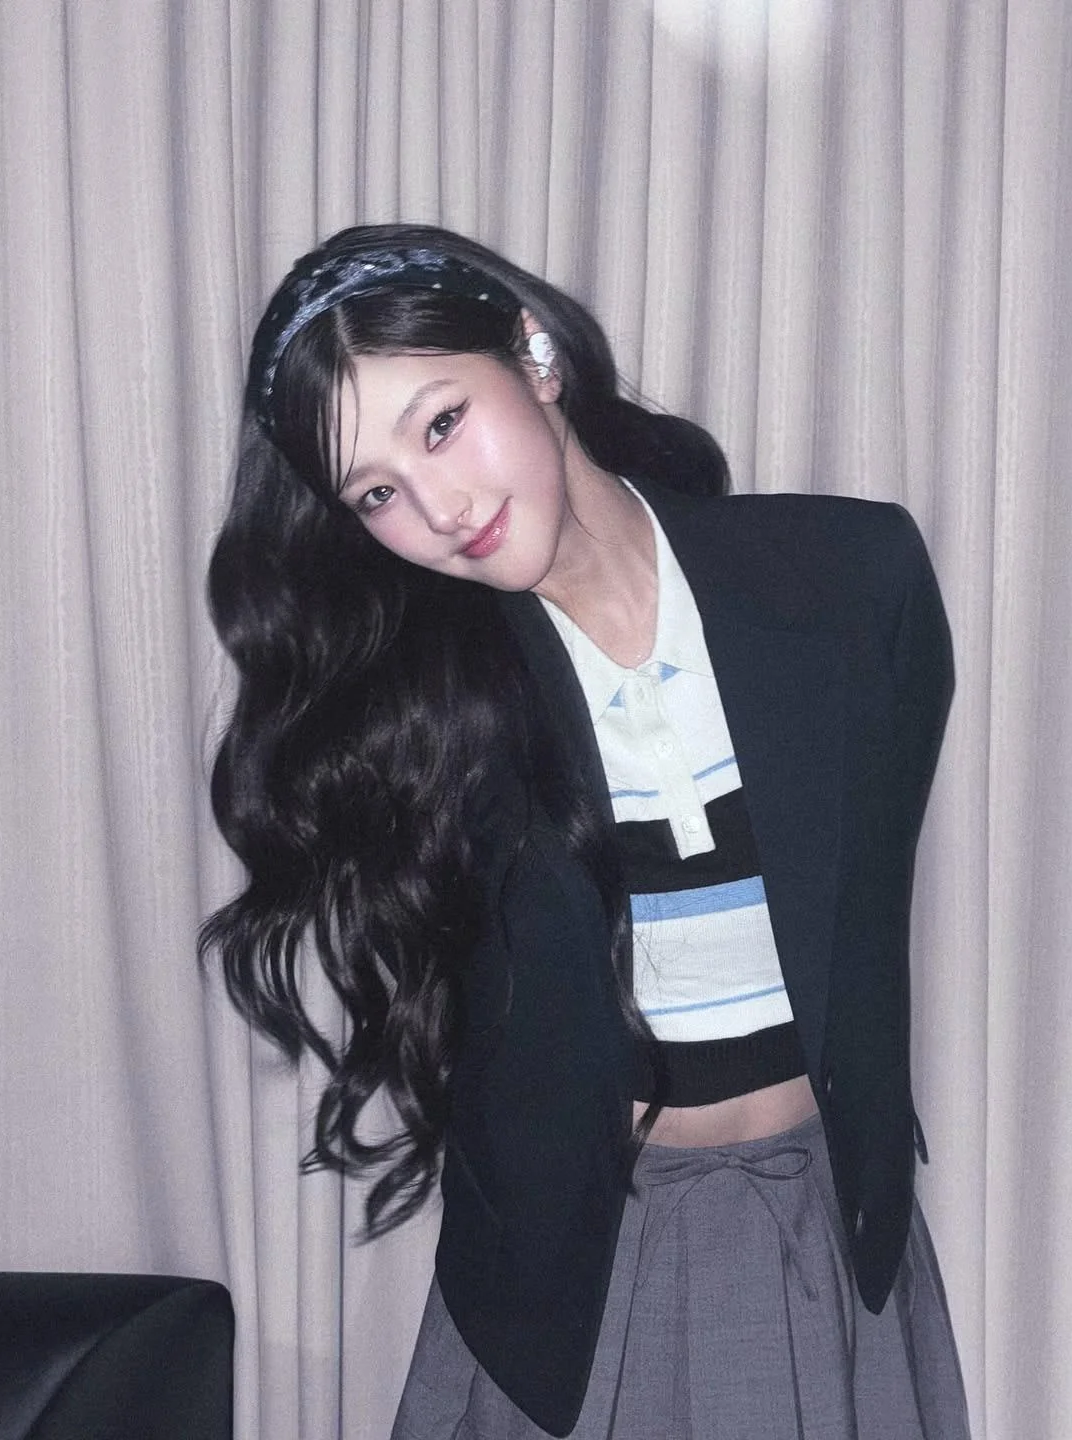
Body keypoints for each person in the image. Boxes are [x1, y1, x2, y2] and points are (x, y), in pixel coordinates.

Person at [202, 222, 971, 1439]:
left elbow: (865, 909)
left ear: (535, 355)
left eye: (440, 424)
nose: (441, 508)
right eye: (378, 493)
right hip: (581, 1285)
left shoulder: (854, 578)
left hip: (833, 1239)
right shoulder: (413, 725)